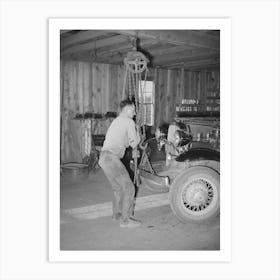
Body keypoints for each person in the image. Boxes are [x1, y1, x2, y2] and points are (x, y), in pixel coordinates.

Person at [98, 98, 142, 228]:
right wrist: (138, 132)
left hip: (103, 158)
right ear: (128, 110)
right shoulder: (128, 121)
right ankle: (125, 220)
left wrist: (133, 135)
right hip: (111, 158)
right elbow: (134, 143)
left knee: (117, 188)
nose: (134, 113)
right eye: (133, 110)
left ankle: (116, 214)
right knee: (129, 188)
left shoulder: (117, 121)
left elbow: (126, 142)